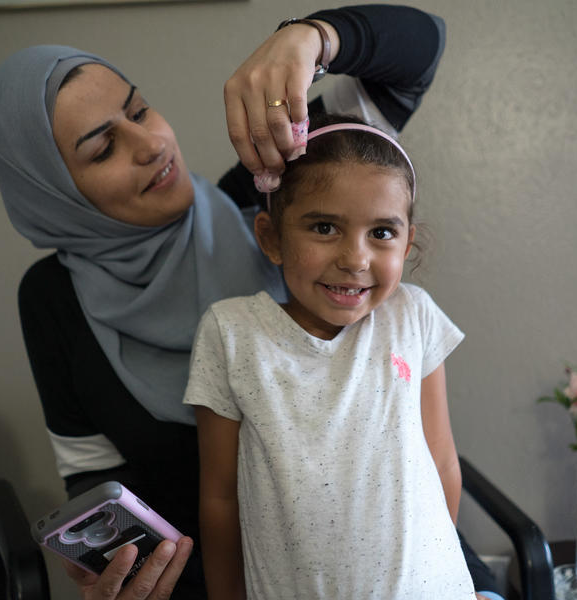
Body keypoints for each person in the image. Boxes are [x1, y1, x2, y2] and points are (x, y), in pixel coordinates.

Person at [0, 6, 501, 599]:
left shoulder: (272, 188)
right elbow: (94, 476)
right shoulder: (53, 299)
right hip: (218, 577)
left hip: (412, 565)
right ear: (52, 192)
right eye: (102, 148)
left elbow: (420, 50)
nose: (150, 144)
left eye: (139, 110)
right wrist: (112, 564)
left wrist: (308, 38)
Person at [184, 113, 485, 599]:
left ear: (408, 242)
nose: (355, 259)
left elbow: (442, 460)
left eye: (382, 233)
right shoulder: (232, 333)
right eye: (324, 227)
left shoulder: (413, 315)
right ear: (272, 238)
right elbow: (219, 497)